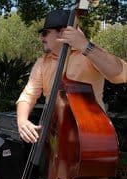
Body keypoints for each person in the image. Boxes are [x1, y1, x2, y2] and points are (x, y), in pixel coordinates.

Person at [17, 9, 127, 144]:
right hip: (55, 136)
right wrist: (22, 121)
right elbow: (28, 95)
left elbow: (120, 74)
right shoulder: (42, 63)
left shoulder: (89, 55)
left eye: (45, 33)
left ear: (63, 33)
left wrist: (85, 46)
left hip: (89, 136)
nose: (42, 38)